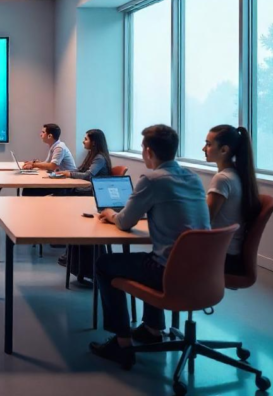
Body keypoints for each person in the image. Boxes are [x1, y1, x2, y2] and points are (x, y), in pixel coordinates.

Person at [90, 125, 210, 368]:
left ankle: (122, 343)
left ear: (148, 151)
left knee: (104, 264)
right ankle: (152, 329)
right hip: (203, 270)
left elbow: (125, 222)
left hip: (168, 272)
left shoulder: (152, 180)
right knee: (151, 257)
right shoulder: (193, 178)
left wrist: (110, 214)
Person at [203, 125, 261, 274]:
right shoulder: (236, 174)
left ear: (224, 150)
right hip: (231, 253)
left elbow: (204, 221)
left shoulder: (222, 179)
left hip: (221, 256)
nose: (203, 149)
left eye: (208, 144)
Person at [57, 129, 113, 273]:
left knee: (63, 198)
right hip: (88, 190)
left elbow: (88, 176)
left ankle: (67, 247)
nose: (83, 141)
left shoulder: (99, 158)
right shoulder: (92, 155)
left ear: (94, 142)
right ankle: (68, 248)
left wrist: (69, 174)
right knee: (62, 195)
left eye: (86, 139)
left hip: (93, 192)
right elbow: (81, 170)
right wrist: (68, 173)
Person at [21, 123, 77, 197]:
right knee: (28, 188)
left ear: (50, 136)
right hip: (59, 178)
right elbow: (47, 163)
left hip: (66, 182)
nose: (40, 134)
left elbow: (52, 166)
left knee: (29, 190)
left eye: (43, 132)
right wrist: (34, 163)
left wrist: (33, 165)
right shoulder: (54, 146)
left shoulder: (59, 148)